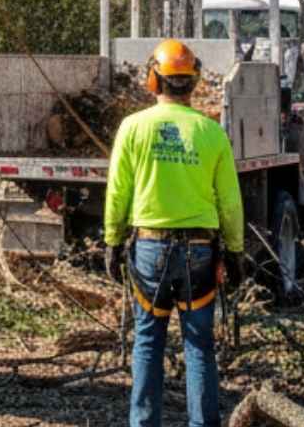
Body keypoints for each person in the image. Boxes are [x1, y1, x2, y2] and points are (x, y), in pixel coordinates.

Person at [103, 39, 245, 427]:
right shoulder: (211, 132)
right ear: (194, 81)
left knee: (148, 344)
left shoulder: (133, 127)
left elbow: (118, 192)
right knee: (199, 347)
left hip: (149, 249)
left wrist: (112, 242)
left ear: (153, 80)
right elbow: (230, 202)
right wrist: (234, 251)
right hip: (200, 252)